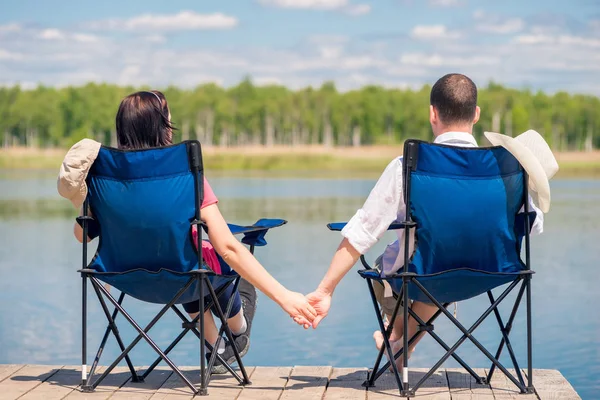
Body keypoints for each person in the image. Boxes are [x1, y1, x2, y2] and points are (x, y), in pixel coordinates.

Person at [300, 73, 545, 370]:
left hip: (425, 276)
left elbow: (364, 229)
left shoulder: (410, 165)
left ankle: (398, 342)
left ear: (432, 112)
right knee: (435, 267)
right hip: (494, 273)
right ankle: (400, 346)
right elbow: (533, 225)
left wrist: (325, 290)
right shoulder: (507, 168)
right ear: (476, 114)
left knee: (400, 266)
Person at [68, 90, 316, 373]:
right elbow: (229, 248)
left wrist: (84, 204)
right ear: (160, 125)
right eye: (168, 115)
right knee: (212, 259)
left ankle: (217, 346)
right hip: (186, 278)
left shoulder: (102, 178)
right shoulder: (184, 173)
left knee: (190, 261)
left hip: (127, 279)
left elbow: (82, 237)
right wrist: (285, 296)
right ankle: (238, 329)